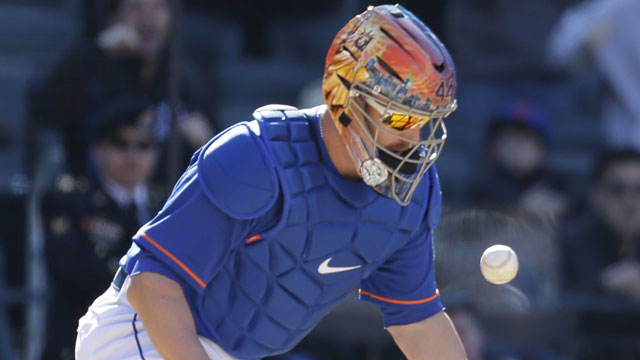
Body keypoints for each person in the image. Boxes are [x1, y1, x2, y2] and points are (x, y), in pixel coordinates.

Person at [75, 5, 466, 359]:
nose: (415, 140)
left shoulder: (411, 194)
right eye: (401, 119)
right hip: (143, 334)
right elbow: (151, 282)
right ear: (346, 96)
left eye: (425, 121)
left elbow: (419, 323)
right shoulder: (254, 156)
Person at [30, 0, 216, 185]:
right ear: (114, 18)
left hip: (167, 204)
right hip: (95, 203)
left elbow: (216, 151)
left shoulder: (186, 80)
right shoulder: (92, 68)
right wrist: (97, 50)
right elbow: (45, 110)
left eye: (158, 7)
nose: (147, 17)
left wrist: (207, 143)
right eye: (136, 7)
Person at [41, 98, 163, 360]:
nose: (133, 156)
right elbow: (68, 270)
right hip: (84, 343)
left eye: (143, 146)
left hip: (149, 345)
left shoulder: (165, 206)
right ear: (97, 149)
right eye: (121, 144)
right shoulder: (70, 200)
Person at [467, 100, 571, 220]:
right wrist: (520, 209)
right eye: (509, 139)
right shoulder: (481, 186)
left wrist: (564, 208)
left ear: (543, 149)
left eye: (525, 140)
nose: (516, 148)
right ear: (494, 147)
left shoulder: (559, 185)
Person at [560, 148, 640, 303]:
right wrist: (602, 287)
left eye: (639, 190)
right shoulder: (566, 246)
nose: (631, 203)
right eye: (617, 190)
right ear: (595, 195)